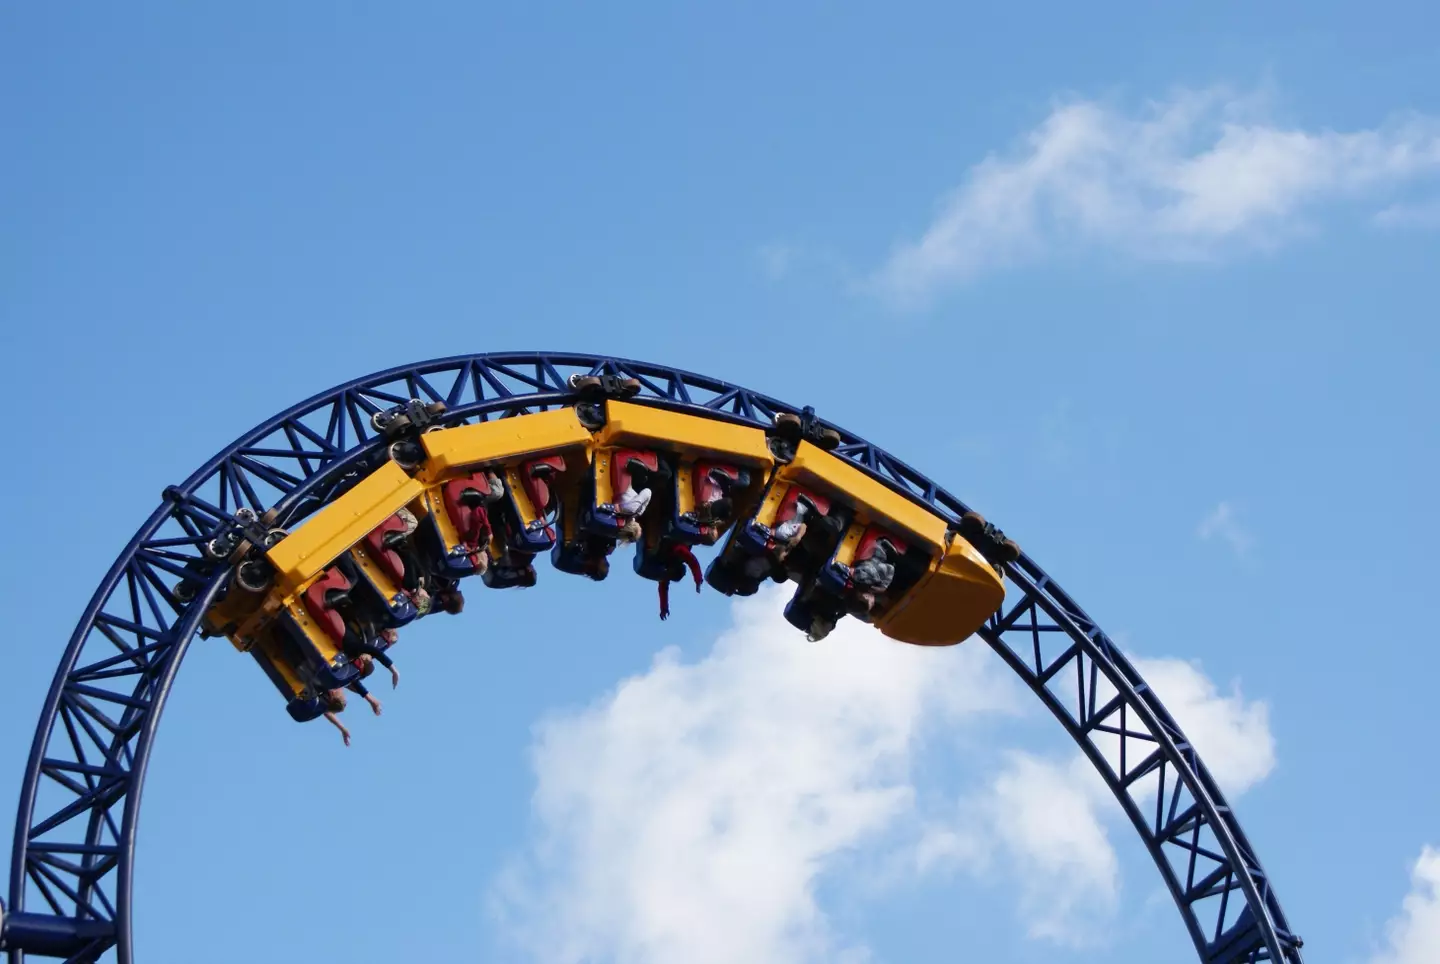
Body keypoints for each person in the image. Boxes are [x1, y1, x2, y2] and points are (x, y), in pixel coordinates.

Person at [850, 539, 897, 614]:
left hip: (881, 548)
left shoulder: (867, 579)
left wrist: (884, 586)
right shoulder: (858, 582)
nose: (874, 602)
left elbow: (890, 568)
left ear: (865, 596)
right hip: (876, 550)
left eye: (871, 603)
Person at [657, 543, 702, 620]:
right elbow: (694, 563)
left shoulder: (666, 569)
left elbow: (663, 588)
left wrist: (663, 608)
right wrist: (698, 581)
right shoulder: (680, 551)